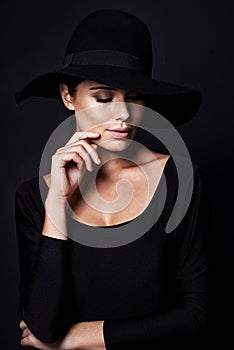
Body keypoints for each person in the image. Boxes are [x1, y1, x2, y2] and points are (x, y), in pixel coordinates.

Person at [14, 9, 208, 350]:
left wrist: (73, 339)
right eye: (104, 98)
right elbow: (41, 325)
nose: (123, 115)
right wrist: (57, 204)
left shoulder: (180, 179)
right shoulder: (33, 197)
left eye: (134, 98)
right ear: (67, 96)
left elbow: (197, 315)